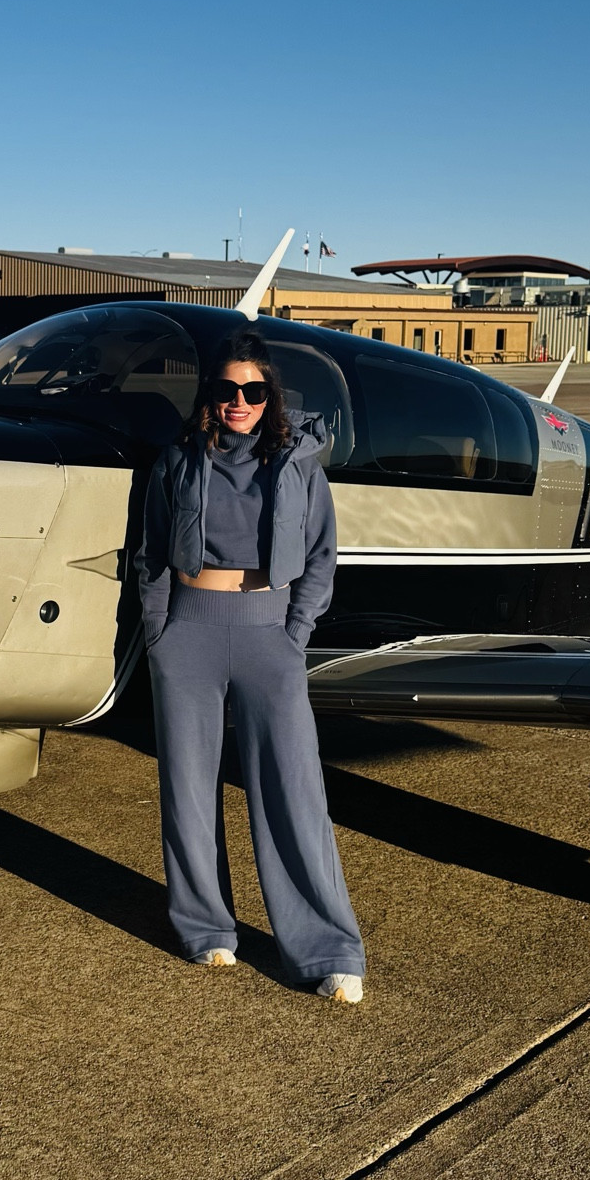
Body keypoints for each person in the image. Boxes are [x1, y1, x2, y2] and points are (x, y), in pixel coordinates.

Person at [134, 331, 366, 1002]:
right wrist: (160, 633)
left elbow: (321, 554)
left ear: (271, 397)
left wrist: (295, 631)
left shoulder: (300, 465)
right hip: (189, 632)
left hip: (270, 632)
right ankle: (206, 929)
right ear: (210, 395)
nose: (240, 401)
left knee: (294, 791)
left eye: (254, 390)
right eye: (227, 389)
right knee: (187, 790)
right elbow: (151, 552)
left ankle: (327, 950)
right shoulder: (178, 460)